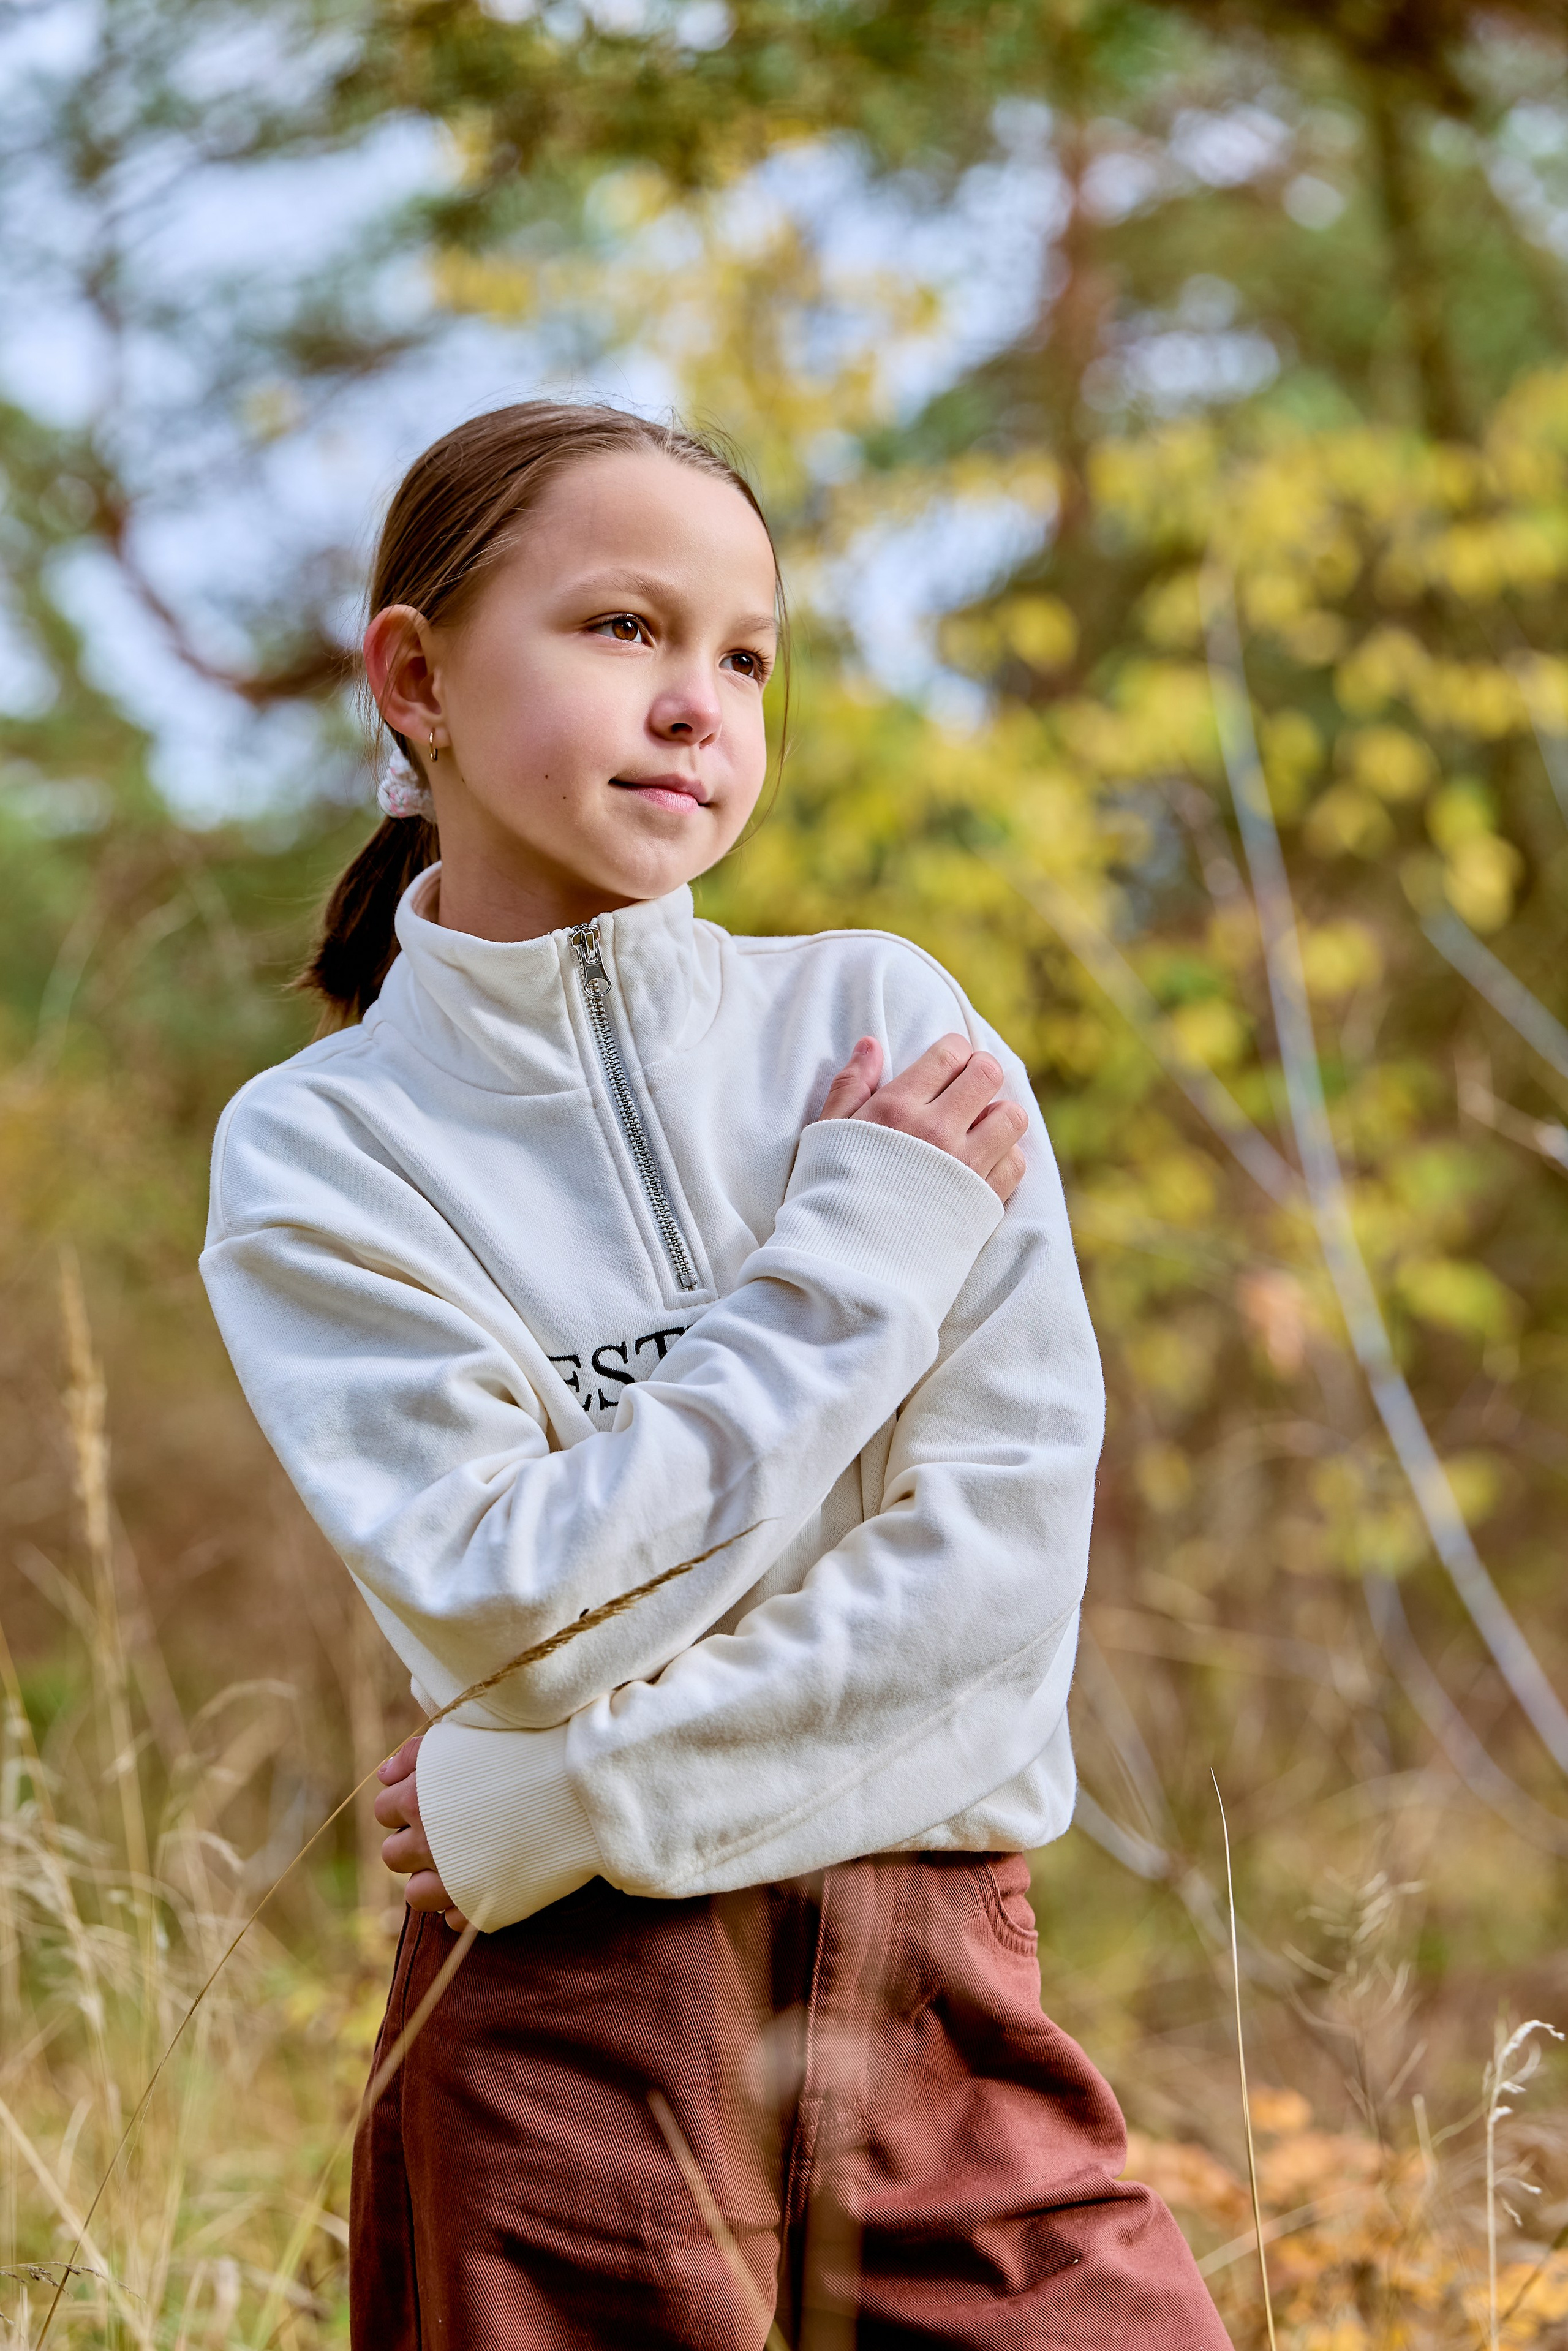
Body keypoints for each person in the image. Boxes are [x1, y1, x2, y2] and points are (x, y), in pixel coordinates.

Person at [200, 400, 1232, 2349]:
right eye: (623, 629)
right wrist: (858, 1263)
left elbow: (996, 1603)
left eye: (747, 656)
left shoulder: (888, 1030)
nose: (699, 704)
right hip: (559, 2042)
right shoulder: (323, 1153)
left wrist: (560, 1796)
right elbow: (516, 1604)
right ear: (414, 682)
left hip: (938, 1995)